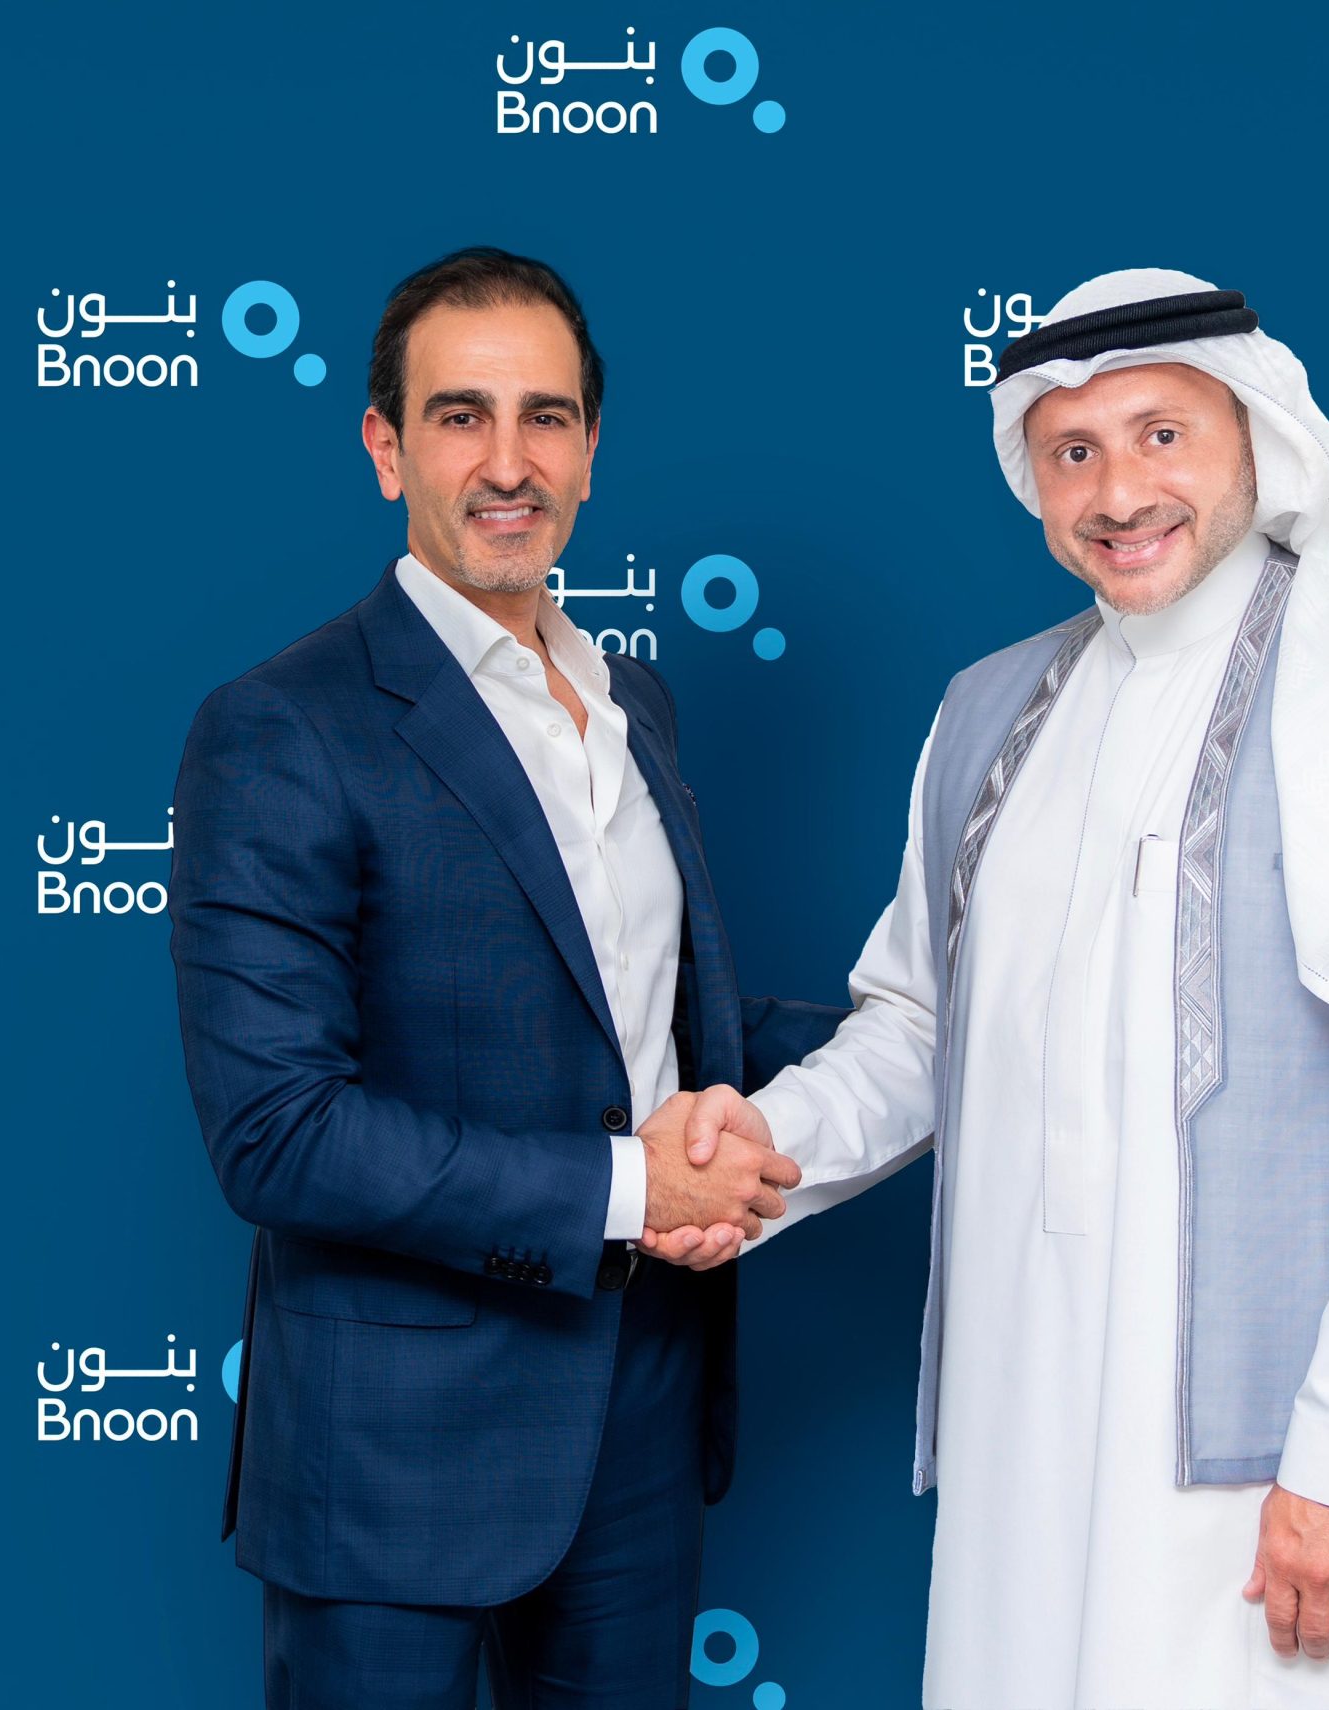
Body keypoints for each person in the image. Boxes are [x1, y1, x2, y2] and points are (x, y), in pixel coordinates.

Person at [651, 268, 1329, 1708]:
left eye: (1161, 436)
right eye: (1073, 452)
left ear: (1256, 435)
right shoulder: (989, 709)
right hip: (1033, 1431)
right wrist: (771, 1145)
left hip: (1283, 1469)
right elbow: (923, 1024)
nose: (1119, 493)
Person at [167, 246, 840, 1710]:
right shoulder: (283, 726)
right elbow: (279, 1131)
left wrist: (946, 1033)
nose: (507, 462)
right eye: (460, 415)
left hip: (641, 1418)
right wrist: (635, 1189)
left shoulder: (632, 699)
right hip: (390, 1462)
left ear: (591, 450)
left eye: (546, 417)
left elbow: (651, 1030)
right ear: (385, 446)